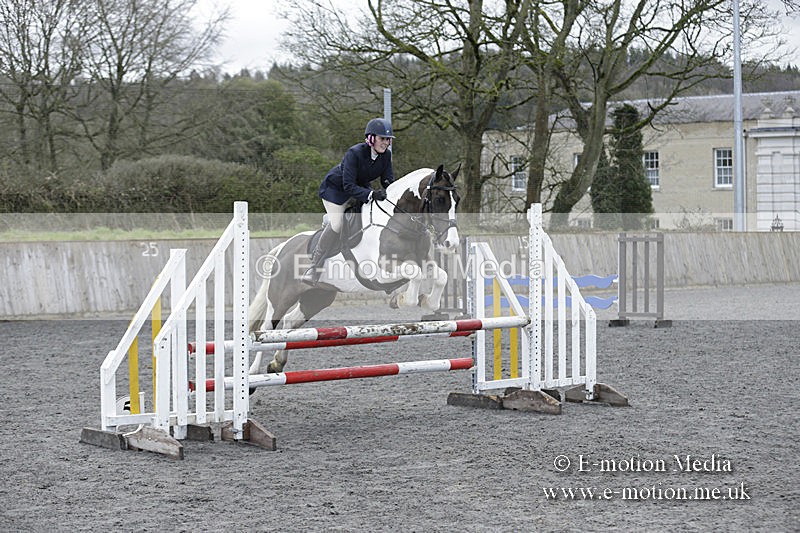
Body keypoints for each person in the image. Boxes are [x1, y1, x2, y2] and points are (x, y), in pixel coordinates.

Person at [301, 117, 395, 285]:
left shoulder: (386, 155)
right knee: (337, 224)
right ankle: (314, 266)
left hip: (359, 190)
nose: (386, 143)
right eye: (382, 138)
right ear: (371, 138)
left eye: (388, 139)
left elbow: (387, 180)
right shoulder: (355, 153)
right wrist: (372, 194)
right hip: (335, 192)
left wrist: (391, 192)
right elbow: (349, 185)